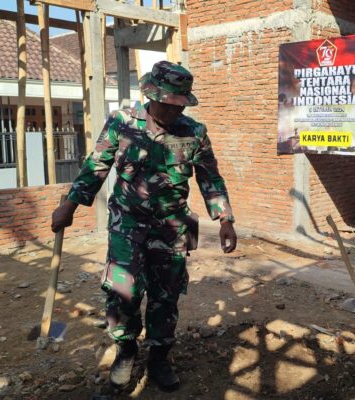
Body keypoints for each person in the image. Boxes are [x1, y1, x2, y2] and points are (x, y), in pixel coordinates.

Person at [51, 61, 237, 391]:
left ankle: (160, 358)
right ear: (151, 94)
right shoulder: (121, 124)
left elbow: (211, 178)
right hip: (126, 229)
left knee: (166, 298)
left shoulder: (194, 133)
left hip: (174, 230)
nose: (171, 110)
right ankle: (125, 351)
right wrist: (69, 204)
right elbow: (96, 166)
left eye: (178, 104)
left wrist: (225, 219)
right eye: (167, 103)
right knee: (122, 293)